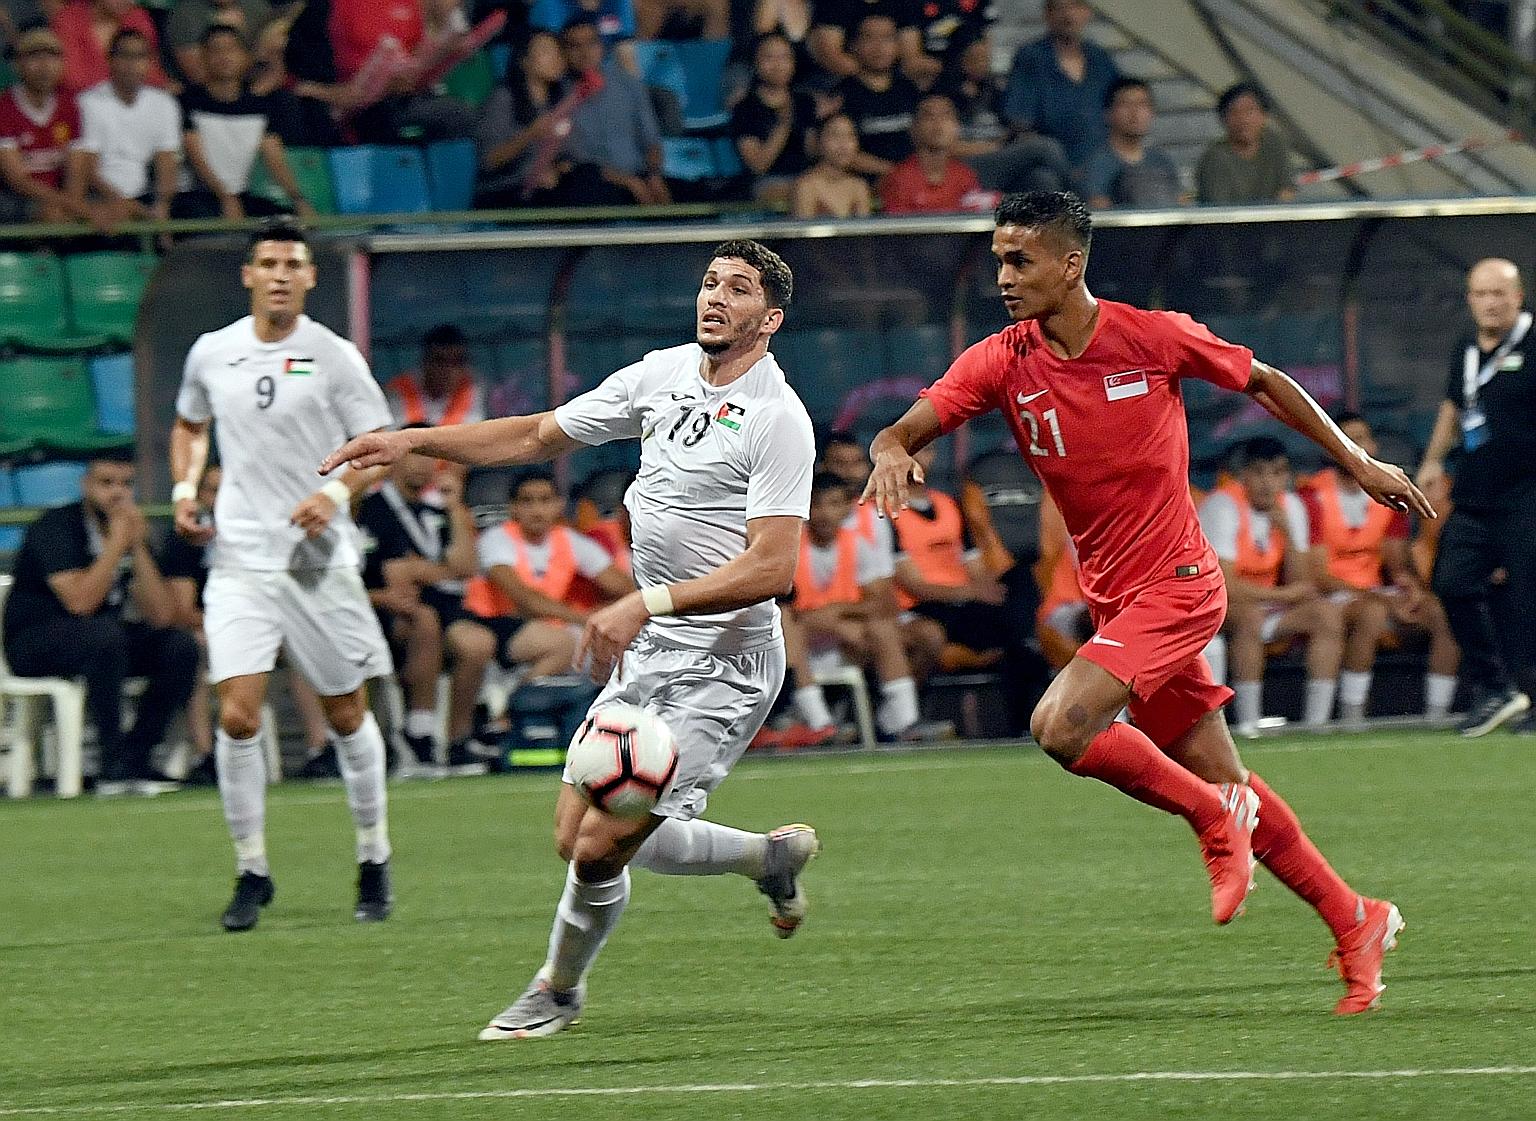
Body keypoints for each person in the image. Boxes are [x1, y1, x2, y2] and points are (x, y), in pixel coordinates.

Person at [864, 190, 1429, 1013]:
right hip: (1116, 605)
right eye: (996, 260)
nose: (1003, 276)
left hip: (1182, 586)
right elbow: (904, 428)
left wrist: (1356, 462)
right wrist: (887, 452)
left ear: (1071, 263)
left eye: (1019, 260)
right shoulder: (1003, 359)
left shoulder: (1152, 336)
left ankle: (1211, 816)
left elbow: (1266, 382)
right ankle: (1356, 918)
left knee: (1060, 725)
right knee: (1231, 776)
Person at [322, 238, 821, 1041]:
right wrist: (413, 440)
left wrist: (643, 600)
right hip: (652, 646)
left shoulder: (778, 419)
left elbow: (773, 567)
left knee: (601, 847)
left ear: (770, 319)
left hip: (724, 662)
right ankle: (766, 858)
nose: (714, 297)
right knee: (578, 838)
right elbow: (536, 437)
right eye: (708, 282)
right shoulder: (660, 374)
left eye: (737, 288)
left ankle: (557, 989)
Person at [168, 217, 398, 933]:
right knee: (237, 714)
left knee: (345, 714)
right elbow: (189, 423)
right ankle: (252, 869)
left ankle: (372, 853)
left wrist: (334, 496)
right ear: (248, 274)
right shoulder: (213, 352)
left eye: (290, 263)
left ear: (309, 277)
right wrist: (184, 489)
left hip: (317, 562)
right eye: (266, 262)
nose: (277, 274)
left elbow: (384, 450)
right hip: (239, 557)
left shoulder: (332, 356)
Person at [2, 450, 198, 798]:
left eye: (126, 484)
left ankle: (137, 757)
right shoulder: (56, 527)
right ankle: (111, 763)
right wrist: (115, 546)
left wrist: (136, 549)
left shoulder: (133, 529)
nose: (117, 493)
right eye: (106, 483)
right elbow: (80, 603)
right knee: (105, 638)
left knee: (178, 646)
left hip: (104, 642)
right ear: (85, 485)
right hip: (36, 641)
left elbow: (162, 615)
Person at [1416, 257, 1536, 736]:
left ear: (1518, 296)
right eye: (1481, 294)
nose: (1490, 303)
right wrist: (1431, 461)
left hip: (1528, 492)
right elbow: (1454, 405)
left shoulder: (1533, 341)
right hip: (1475, 493)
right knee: (1450, 581)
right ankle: (1496, 688)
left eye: (1499, 294)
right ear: (1469, 299)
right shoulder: (1465, 347)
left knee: (1528, 599)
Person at [1301, 412, 1459, 724]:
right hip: (1333, 595)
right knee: (1372, 614)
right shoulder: (1312, 495)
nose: (1359, 447)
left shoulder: (1388, 489)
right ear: (1331, 446)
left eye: (1363, 439)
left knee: (1441, 612)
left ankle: (1437, 715)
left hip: (1376, 592)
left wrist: (1408, 586)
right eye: (1349, 439)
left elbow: (1396, 561)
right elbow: (1319, 576)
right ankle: (1352, 714)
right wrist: (1380, 598)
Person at [1198, 436, 1348, 735]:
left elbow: (1301, 583)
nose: (1268, 483)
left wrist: (1289, 535)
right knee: (1250, 617)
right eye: (1259, 473)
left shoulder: (1290, 506)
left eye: (1277, 473)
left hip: (1267, 605)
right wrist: (1282, 595)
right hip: (1215, 609)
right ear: (1244, 476)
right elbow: (1222, 585)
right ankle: (1249, 722)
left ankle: (1316, 723)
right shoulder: (1223, 505)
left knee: (1326, 615)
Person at [355, 434, 482, 773]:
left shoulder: (435, 509)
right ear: (394, 458)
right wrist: (443, 570)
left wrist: (456, 508)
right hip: (385, 608)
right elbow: (397, 575)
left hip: (438, 605)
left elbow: (466, 567)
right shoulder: (375, 507)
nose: (424, 465)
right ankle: (419, 732)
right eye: (416, 455)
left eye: (430, 457)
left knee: (477, 643)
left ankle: (458, 742)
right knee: (423, 620)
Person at [782, 471, 920, 738]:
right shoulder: (789, 546)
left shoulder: (857, 545)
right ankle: (819, 724)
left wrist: (836, 614)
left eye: (833, 504)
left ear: (847, 508)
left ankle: (903, 720)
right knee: (789, 625)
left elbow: (881, 603)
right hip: (799, 642)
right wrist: (829, 621)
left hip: (845, 641)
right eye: (816, 504)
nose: (824, 514)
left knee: (883, 629)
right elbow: (778, 607)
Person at [173, 24, 315, 222]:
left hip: (241, 196)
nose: (224, 56)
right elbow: (195, 157)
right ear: (203, 58)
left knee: (286, 224)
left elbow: (273, 156)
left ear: (245, 57)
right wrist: (225, 197)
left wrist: (297, 198)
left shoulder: (261, 106)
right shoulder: (186, 103)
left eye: (231, 48)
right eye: (216, 49)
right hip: (198, 198)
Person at [77, 28, 180, 226]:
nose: (132, 64)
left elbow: (167, 163)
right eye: (125, 56)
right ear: (110, 59)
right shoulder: (88, 102)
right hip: (98, 197)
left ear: (150, 62)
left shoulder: (164, 104)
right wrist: (125, 205)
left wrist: (163, 204)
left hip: (144, 197)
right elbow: (88, 170)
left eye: (140, 56)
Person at [1001, 0, 1119, 173]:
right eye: (1060, 8)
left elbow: (1120, 106)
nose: (1068, 15)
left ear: (1087, 12)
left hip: (1101, 164)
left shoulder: (1100, 59)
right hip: (1053, 167)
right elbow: (1019, 122)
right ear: (1047, 14)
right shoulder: (1032, 58)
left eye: (1075, 6)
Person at [0, 26, 97, 225]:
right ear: (18, 64)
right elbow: (17, 180)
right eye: (35, 57)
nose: (45, 66)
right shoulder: (5, 107)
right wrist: (76, 207)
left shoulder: (70, 104)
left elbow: (77, 167)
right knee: (53, 216)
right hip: (14, 199)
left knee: (112, 212)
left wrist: (74, 204)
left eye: (52, 57)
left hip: (61, 198)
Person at [730, 31, 817, 204]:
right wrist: (784, 124)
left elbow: (813, 154)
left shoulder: (804, 102)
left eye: (785, 57)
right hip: (766, 183)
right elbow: (758, 165)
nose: (778, 65)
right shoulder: (745, 108)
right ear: (755, 63)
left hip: (808, 179)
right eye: (769, 57)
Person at [833, 14, 920, 180]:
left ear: (897, 46)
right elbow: (837, 151)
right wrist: (895, 172)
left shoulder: (909, 89)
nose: (879, 47)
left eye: (887, 38)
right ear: (853, 45)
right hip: (860, 186)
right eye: (869, 38)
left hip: (913, 186)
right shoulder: (843, 94)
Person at [1082, 76, 1183, 210]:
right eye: (1125, 104)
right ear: (1108, 113)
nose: (1134, 113)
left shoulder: (1161, 161)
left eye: (1142, 104)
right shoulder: (1097, 164)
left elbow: (1181, 202)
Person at [878, 92, 985, 215]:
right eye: (929, 116)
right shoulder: (898, 179)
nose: (938, 124)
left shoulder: (965, 176)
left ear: (957, 127)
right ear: (914, 129)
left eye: (946, 116)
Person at [1195, 82, 1295, 205]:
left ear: (1264, 116)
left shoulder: (1275, 144)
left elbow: (1287, 191)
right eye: (1235, 112)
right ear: (1223, 119)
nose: (1243, 120)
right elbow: (1218, 211)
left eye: (1249, 111)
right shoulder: (1215, 159)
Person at [809, 0, 938, 91]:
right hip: (840, 80)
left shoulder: (904, 3)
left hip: (894, 77)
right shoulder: (835, 3)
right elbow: (831, 57)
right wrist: (873, 75)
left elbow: (911, 58)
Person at [51, 0, 167, 94]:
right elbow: (73, 80)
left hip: (134, 104)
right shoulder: (69, 20)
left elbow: (151, 73)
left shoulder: (138, 18)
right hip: (82, 107)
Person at [384, 323, 487, 428]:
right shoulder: (400, 388)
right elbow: (398, 433)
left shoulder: (473, 389)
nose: (448, 370)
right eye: (440, 361)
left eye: (456, 362)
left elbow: (469, 435)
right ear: (425, 362)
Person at [165, 0, 274, 86]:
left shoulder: (258, 8)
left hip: (257, 90)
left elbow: (272, 62)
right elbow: (198, 76)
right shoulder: (186, 13)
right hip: (204, 98)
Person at [788, 112, 870, 218]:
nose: (843, 144)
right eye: (835, 135)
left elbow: (864, 232)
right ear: (819, 142)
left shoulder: (859, 186)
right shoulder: (806, 186)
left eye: (850, 135)